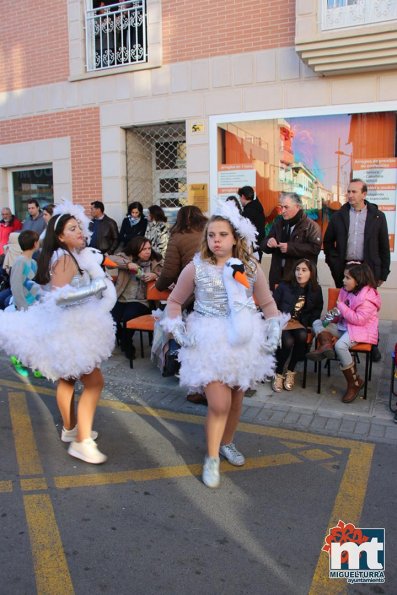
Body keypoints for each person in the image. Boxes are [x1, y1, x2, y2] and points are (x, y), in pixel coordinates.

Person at [159, 201, 285, 488]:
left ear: (235, 237)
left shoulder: (250, 267)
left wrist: (274, 328)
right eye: (211, 235)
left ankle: (227, 442)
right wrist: (178, 331)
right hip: (208, 339)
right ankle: (212, 457)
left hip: (242, 337)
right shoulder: (196, 268)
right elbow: (175, 302)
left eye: (222, 235)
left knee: (237, 399)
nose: (216, 240)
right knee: (219, 402)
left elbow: (267, 303)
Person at [0, 201, 117, 464]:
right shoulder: (64, 258)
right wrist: (96, 288)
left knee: (66, 381)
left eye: (80, 227)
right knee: (95, 383)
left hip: (69, 328)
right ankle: (82, 442)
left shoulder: (69, 255)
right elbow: (60, 297)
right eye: (72, 229)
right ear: (61, 236)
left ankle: (70, 429)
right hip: (71, 331)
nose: (80, 232)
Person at [323, 178, 390, 362]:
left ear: (364, 194)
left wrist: (383, 273)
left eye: (354, 192)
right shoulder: (339, 216)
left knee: (367, 310)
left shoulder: (377, 216)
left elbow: (384, 247)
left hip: (368, 271)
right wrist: (333, 262)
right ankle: (346, 340)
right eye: (349, 191)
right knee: (346, 306)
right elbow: (328, 242)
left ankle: (372, 343)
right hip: (345, 270)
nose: (350, 195)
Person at [154, 205, 207, 404]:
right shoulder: (210, 233)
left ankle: (193, 386)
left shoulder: (177, 237)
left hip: (191, 295)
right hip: (214, 295)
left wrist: (160, 286)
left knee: (190, 340)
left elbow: (168, 271)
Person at [306, 262, 380, 404]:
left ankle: (354, 383)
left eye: (347, 278)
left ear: (357, 280)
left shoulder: (368, 298)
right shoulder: (346, 291)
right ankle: (326, 346)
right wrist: (328, 318)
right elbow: (339, 311)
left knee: (340, 346)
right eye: (344, 277)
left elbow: (359, 320)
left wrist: (341, 307)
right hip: (345, 326)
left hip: (361, 330)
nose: (343, 280)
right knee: (317, 323)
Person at [271, 259, 323, 392]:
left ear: (311, 273)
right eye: (297, 270)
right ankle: (278, 373)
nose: (299, 273)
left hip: (300, 323)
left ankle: (291, 371)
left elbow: (317, 309)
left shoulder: (316, 290)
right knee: (287, 341)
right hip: (283, 321)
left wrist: (309, 323)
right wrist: (276, 314)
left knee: (302, 335)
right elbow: (272, 304)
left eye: (304, 270)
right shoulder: (284, 286)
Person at [109, 236, 162, 356]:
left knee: (129, 316)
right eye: (144, 249)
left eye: (149, 248)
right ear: (135, 249)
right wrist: (128, 264)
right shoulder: (127, 258)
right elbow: (110, 259)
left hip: (142, 300)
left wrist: (155, 275)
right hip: (122, 297)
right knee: (111, 318)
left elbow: (167, 275)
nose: (148, 251)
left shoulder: (156, 261)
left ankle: (127, 343)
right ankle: (121, 336)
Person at [261, 192, 322, 291]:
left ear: (297, 207)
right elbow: (263, 244)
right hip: (277, 278)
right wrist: (268, 242)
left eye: (286, 207)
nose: (282, 211)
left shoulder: (311, 226)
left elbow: (315, 249)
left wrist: (290, 248)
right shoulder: (278, 223)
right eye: (281, 207)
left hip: (298, 279)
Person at [10, 230, 41, 311]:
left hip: (35, 305)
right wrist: (23, 307)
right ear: (35, 243)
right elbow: (15, 286)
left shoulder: (33, 262)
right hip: (25, 307)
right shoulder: (20, 261)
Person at [237, 186, 266, 260]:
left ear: (243, 196)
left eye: (240, 198)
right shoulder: (257, 208)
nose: (240, 200)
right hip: (258, 248)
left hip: (251, 250)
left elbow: (243, 233)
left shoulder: (248, 211)